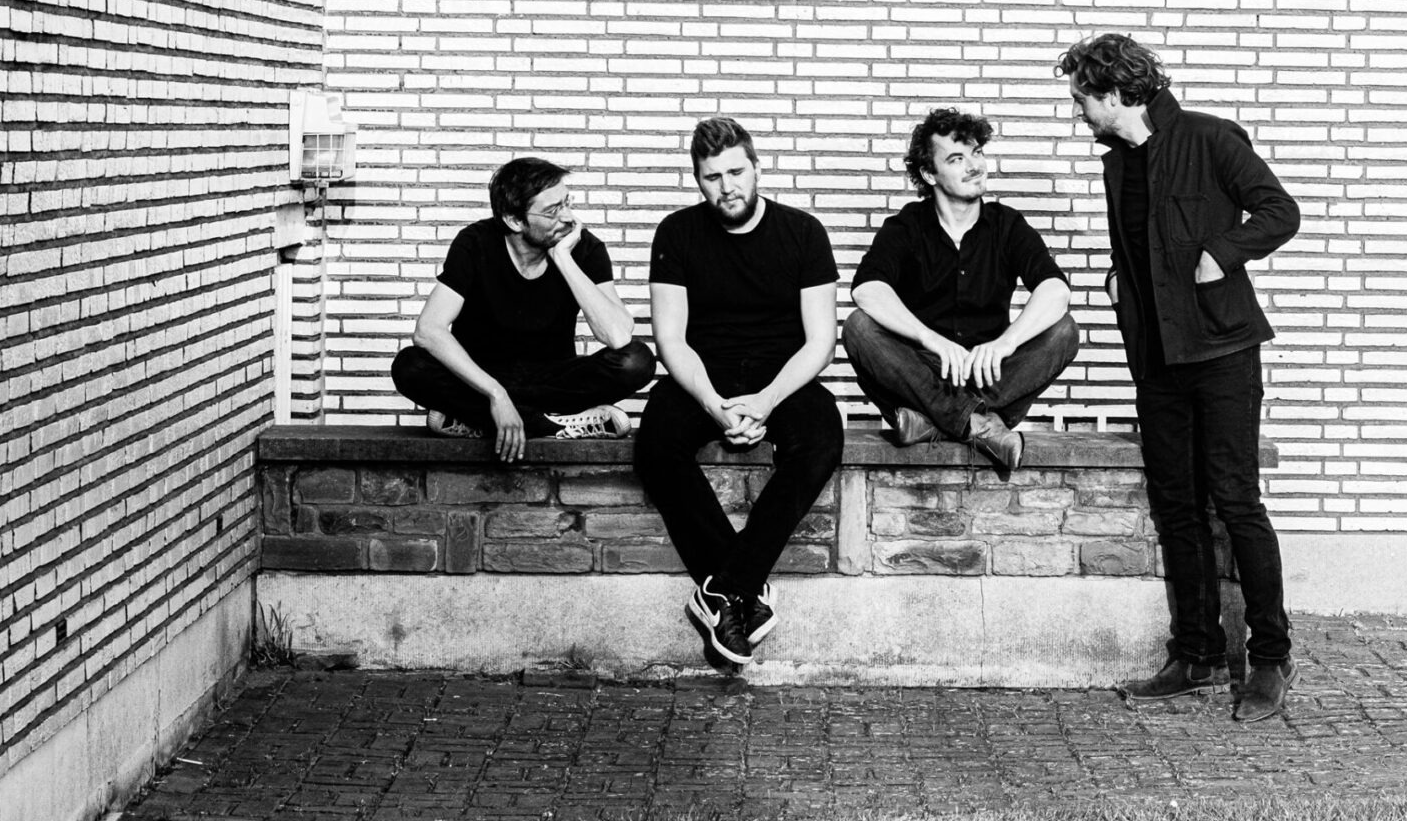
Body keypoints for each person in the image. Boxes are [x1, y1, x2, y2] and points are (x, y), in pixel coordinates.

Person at [1057, 33, 1300, 723]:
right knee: (1177, 506)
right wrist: (1121, 284)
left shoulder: (1209, 137)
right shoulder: (1118, 167)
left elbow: (1280, 212)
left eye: (1081, 99)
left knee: (1235, 500)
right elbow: (1140, 250)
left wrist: (1222, 252)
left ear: (1113, 93)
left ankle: (1271, 657)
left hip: (1222, 350)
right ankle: (1195, 654)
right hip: (1158, 360)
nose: (1078, 112)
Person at [633, 117, 843, 672]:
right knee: (655, 444)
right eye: (712, 177)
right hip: (704, 374)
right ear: (697, 180)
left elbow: (821, 342)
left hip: (783, 376)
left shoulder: (803, 232)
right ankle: (743, 593)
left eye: (735, 172)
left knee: (822, 440)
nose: (726, 187)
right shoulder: (676, 233)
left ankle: (724, 590)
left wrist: (767, 400)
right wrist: (713, 404)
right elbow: (671, 339)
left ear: (755, 168)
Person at [843, 108, 1079, 477]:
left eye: (977, 152)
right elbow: (868, 290)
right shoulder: (907, 225)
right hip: (924, 372)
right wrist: (930, 339)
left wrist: (1007, 343)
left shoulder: (1007, 224)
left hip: (991, 375)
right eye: (956, 159)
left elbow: (1055, 290)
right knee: (858, 328)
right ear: (929, 173)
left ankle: (932, 423)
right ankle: (983, 426)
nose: (974, 166)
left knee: (1064, 330)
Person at [391, 157, 655, 460]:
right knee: (409, 366)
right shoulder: (475, 243)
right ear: (514, 220)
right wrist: (496, 394)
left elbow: (618, 336)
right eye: (552, 211)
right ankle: (551, 425)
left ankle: (480, 422)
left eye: (566, 203)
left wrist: (564, 260)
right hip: (483, 376)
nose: (568, 217)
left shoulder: (584, 247)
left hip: (553, 382)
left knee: (636, 360)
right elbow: (428, 330)